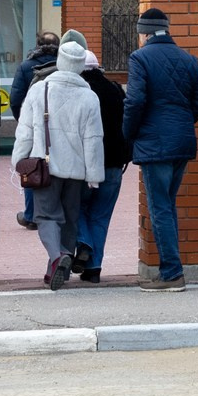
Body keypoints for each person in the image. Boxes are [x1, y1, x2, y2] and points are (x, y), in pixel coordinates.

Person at [122, 7, 198, 291]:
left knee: (160, 209)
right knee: (167, 206)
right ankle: (172, 270)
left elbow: (134, 101)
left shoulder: (140, 58)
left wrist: (130, 133)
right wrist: (182, 123)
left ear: (144, 33)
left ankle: (172, 274)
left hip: (154, 144)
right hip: (182, 141)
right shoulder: (188, 59)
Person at [12, 37, 107, 289]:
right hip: (76, 171)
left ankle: (57, 257)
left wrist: (19, 159)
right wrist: (94, 175)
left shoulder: (39, 90)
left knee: (46, 216)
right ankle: (57, 271)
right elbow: (94, 140)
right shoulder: (90, 97)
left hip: (46, 166)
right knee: (69, 219)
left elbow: (25, 131)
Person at [76, 33, 131, 283]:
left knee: (73, 208)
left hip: (82, 165)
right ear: (98, 67)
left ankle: (84, 242)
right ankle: (94, 269)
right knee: (101, 216)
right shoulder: (115, 89)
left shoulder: (77, 91)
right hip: (113, 165)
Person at [8, 29, 59, 229]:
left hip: (33, 125)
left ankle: (31, 215)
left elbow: (15, 98)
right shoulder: (62, 67)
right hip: (60, 126)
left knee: (31, 168)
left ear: (38, 45)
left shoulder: (26, 66)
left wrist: (23, 121)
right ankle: (55, 212)